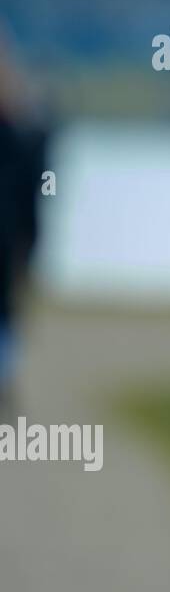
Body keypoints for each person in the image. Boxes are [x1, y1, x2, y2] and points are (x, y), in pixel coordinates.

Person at [0, 28, 48, 418]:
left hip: (9, 233)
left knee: (6, 310)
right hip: (14, 231)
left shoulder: (25, 135)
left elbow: (34, 193)